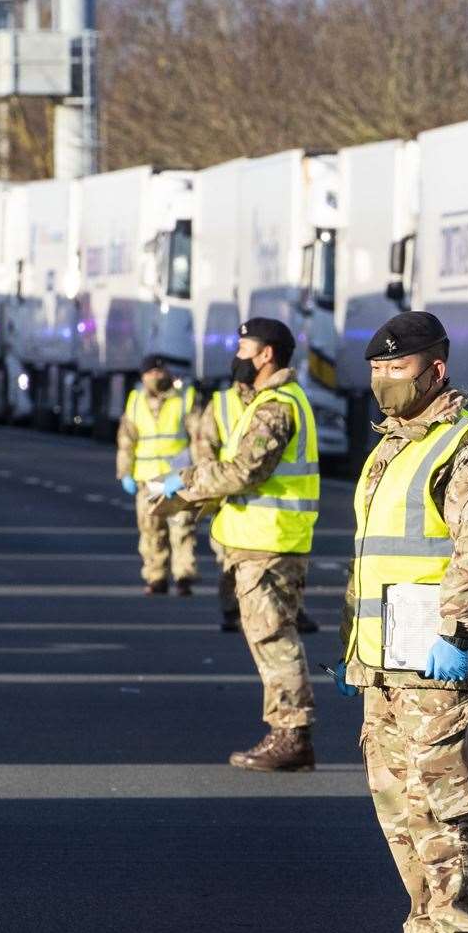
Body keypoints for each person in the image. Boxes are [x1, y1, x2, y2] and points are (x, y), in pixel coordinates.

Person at [332, 310, 468, 933]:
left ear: (435, 370)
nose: (384, 380)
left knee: (448, 808)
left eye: (397, 368)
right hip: (385, 667)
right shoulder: (390, 448)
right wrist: (353, 652)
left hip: (440, 667)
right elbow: (372, 559)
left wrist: (457, 633)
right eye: (376, 369)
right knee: (403, 812)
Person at [167, 320, 319, 771]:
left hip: (269, 545)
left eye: (243, 346)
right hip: (263, 543)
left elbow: (243, 471)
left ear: (266, 354)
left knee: (274, 637)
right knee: (268, 636)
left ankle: (292, 734)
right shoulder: (268, 402)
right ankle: (289, 732)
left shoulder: (276, 406)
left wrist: (187, 482)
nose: (236, 353)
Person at [190, 377, 319, 635]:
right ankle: (231, 609)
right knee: (230, 561)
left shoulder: (274, 402)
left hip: (269, 509)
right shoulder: (222, 403)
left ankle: (288, 611)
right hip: (230, 499)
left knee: (277, 571)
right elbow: (205, 449)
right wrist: (205, 483)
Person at [116, 355, 199, 596]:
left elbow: (198, 437)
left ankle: (183, 576)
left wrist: (195, 471)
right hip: (147, 479)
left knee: (182, 528)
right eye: (151, 372)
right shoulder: (135, 402)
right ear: (143, 377)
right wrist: (125, 473)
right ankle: (156, 577)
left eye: (160, 372)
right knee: (151, 530)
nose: (156, 376)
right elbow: (126, 440)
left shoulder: (185, 398)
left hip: (177, 477)